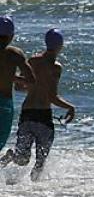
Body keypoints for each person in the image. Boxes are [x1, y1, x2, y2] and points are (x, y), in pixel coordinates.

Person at [0, 29, 75, 181]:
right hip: (43, 117)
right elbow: (52, 97)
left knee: (22, 159)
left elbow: (19, 87)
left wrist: (32, 87)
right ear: (60, 46)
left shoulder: (32, 61)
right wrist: (70, 107)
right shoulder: (56, 68)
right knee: (40, 162)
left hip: (27, 114)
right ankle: (36, 196)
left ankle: (9, 157)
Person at [0, 15, 36, 151]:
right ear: (11, 35)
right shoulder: (15, 53)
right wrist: (13, 78)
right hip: (4, 104)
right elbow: (31, 80)